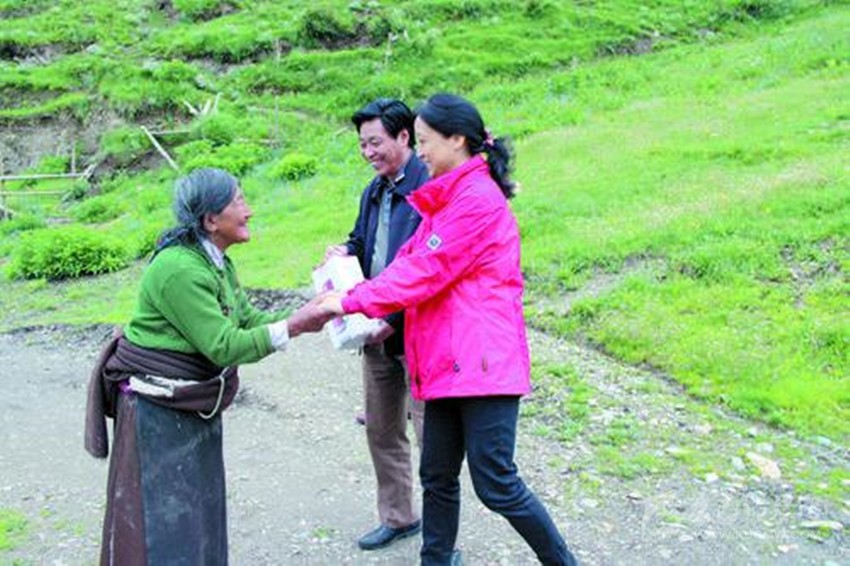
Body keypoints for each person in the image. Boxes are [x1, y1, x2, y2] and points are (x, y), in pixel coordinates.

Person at [317, 94, 578, 565]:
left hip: (481, 363)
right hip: (445, 362)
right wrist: (349, 285)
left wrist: (351, 301)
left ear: (457, 140)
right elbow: (408, 260)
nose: (420, 151)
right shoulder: (444, 199)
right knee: (436, 474)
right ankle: (435, 560)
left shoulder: (476, 200)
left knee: (496, 483)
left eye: (424, 141)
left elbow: (425, 270)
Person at [84, 167, 331, 565]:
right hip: (157, 410)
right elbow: (223, 345)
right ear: (211, 220)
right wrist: (294, 326)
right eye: (239, 201)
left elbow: (247, 319)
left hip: (187, 404)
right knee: (163, 519)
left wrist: (308, 311)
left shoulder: (215, 262)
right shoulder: (180, 269)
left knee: (198, 509)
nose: (249, 211)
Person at [324, 98, 428, 551]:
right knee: (382, 428)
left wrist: (393, 316)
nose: (368, 152)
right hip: (374, 330)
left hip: (420, 333)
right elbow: (361, 240)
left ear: (404, 136)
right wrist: (345, 251)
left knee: (432, 439)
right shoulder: (375, 190)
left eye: (375, 142)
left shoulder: (430, 187)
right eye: (362, 144)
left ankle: (440, 538)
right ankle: (399, 517)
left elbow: (430, 268)